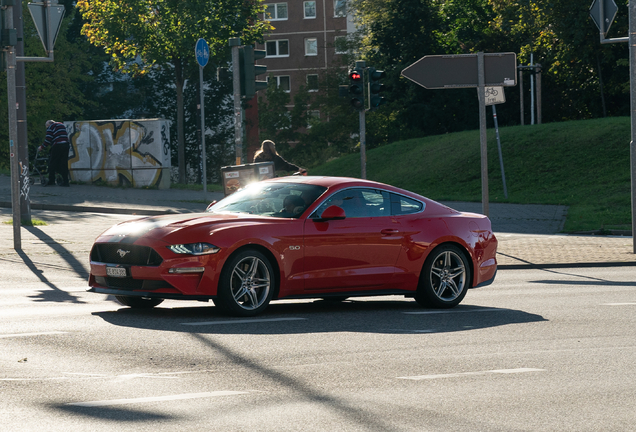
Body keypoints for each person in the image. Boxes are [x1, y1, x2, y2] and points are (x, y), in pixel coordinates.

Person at [38, 120, 70, 187]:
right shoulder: (61, 125)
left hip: (57, 145)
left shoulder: (51, 127)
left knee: (52, 162)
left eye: (46, 126)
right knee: (63, 163)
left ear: (48, 124)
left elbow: (48, 139)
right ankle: (66, 181)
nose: (47, 128)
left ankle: (51, 180)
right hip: (66, 145)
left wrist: (42, 147)